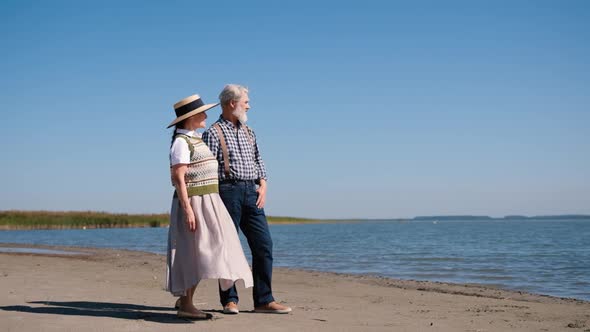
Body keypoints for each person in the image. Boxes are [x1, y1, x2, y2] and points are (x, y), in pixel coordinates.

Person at [202, 84, 292, 314]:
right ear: (232, 103)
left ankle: (264, 300)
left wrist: (263, 183)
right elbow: (209, 169)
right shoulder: (212, 132)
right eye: (246, 101)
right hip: (226, 191)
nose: (248, 105)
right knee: (226, 247)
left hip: (252, 192)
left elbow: (258, 159)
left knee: (264, 245)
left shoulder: (249, 131)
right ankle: (229, 300)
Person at [166, 94, 253, 320]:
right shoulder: (181, 143)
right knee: (194, 252)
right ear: (192, 117)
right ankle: (186, 304)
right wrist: (187, 209)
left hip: (210, 201)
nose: (206, 115)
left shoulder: (196, 139)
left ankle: (185, 300)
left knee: (214, 248)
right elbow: (178, 177)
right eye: (202, 112)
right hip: (195, 202)